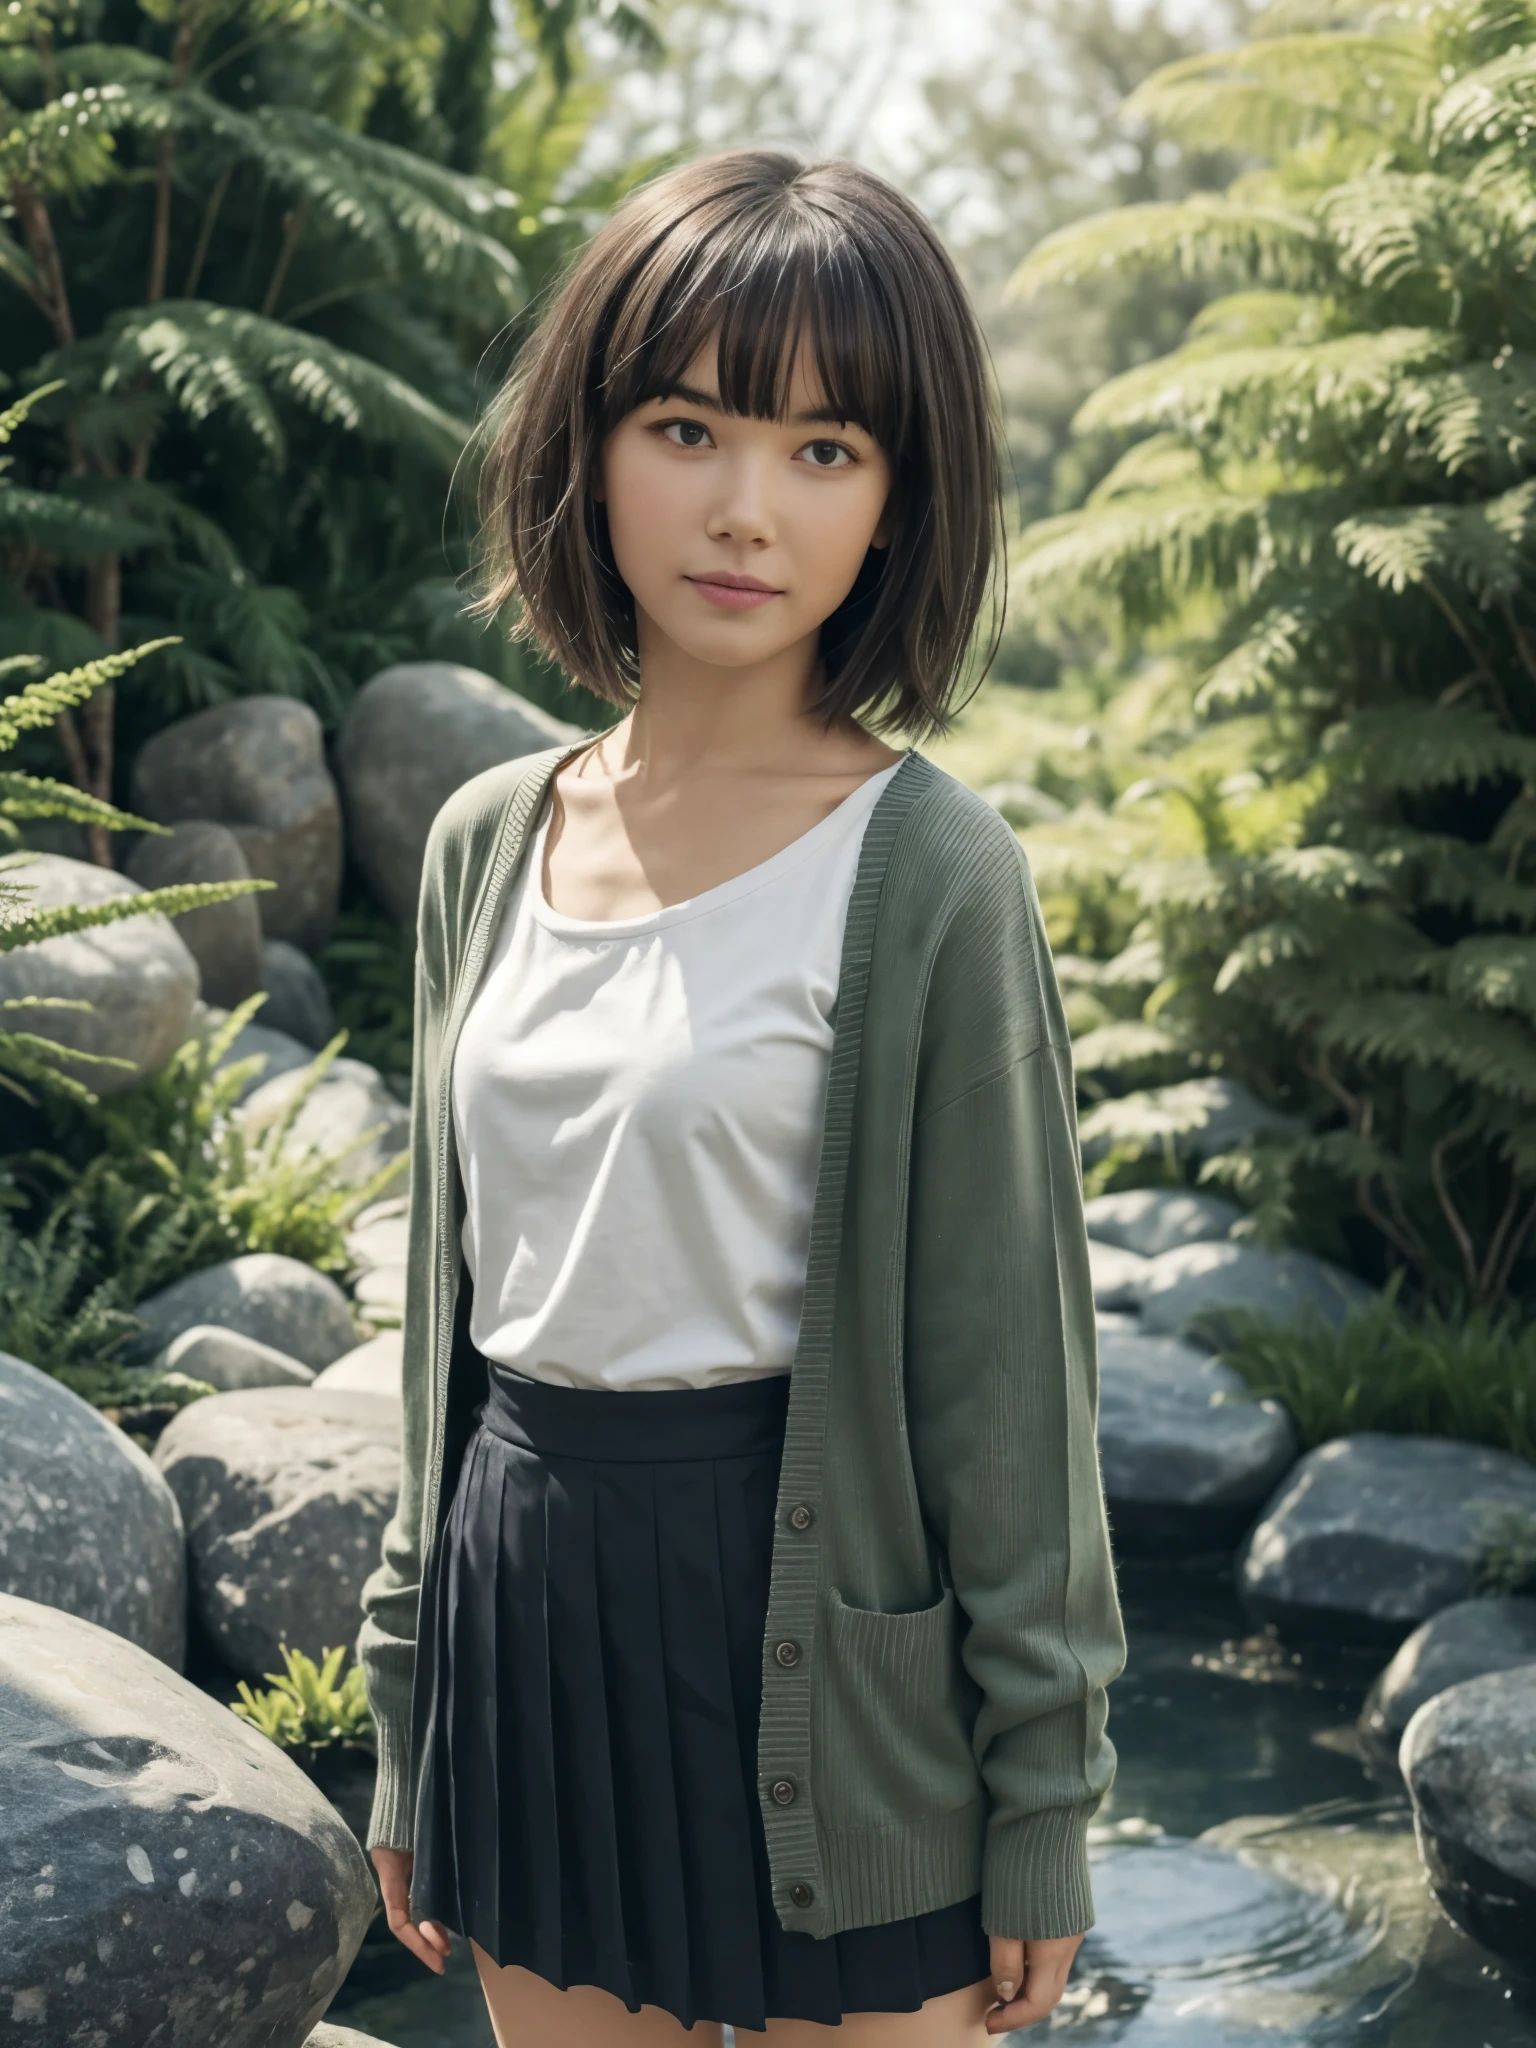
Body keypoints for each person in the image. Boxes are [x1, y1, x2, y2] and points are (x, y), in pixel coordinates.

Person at [356, 148, 1126, 2046]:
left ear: (898, 500)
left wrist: (1043, 1804)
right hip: (530, 1630)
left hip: (826, 1657)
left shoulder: (932, 874)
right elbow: (442, 1332)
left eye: (826, 449)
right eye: (689, 424)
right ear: (588, 446)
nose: (744, 509)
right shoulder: (482, 843)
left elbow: (1007, 1387)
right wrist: (405, 1715)